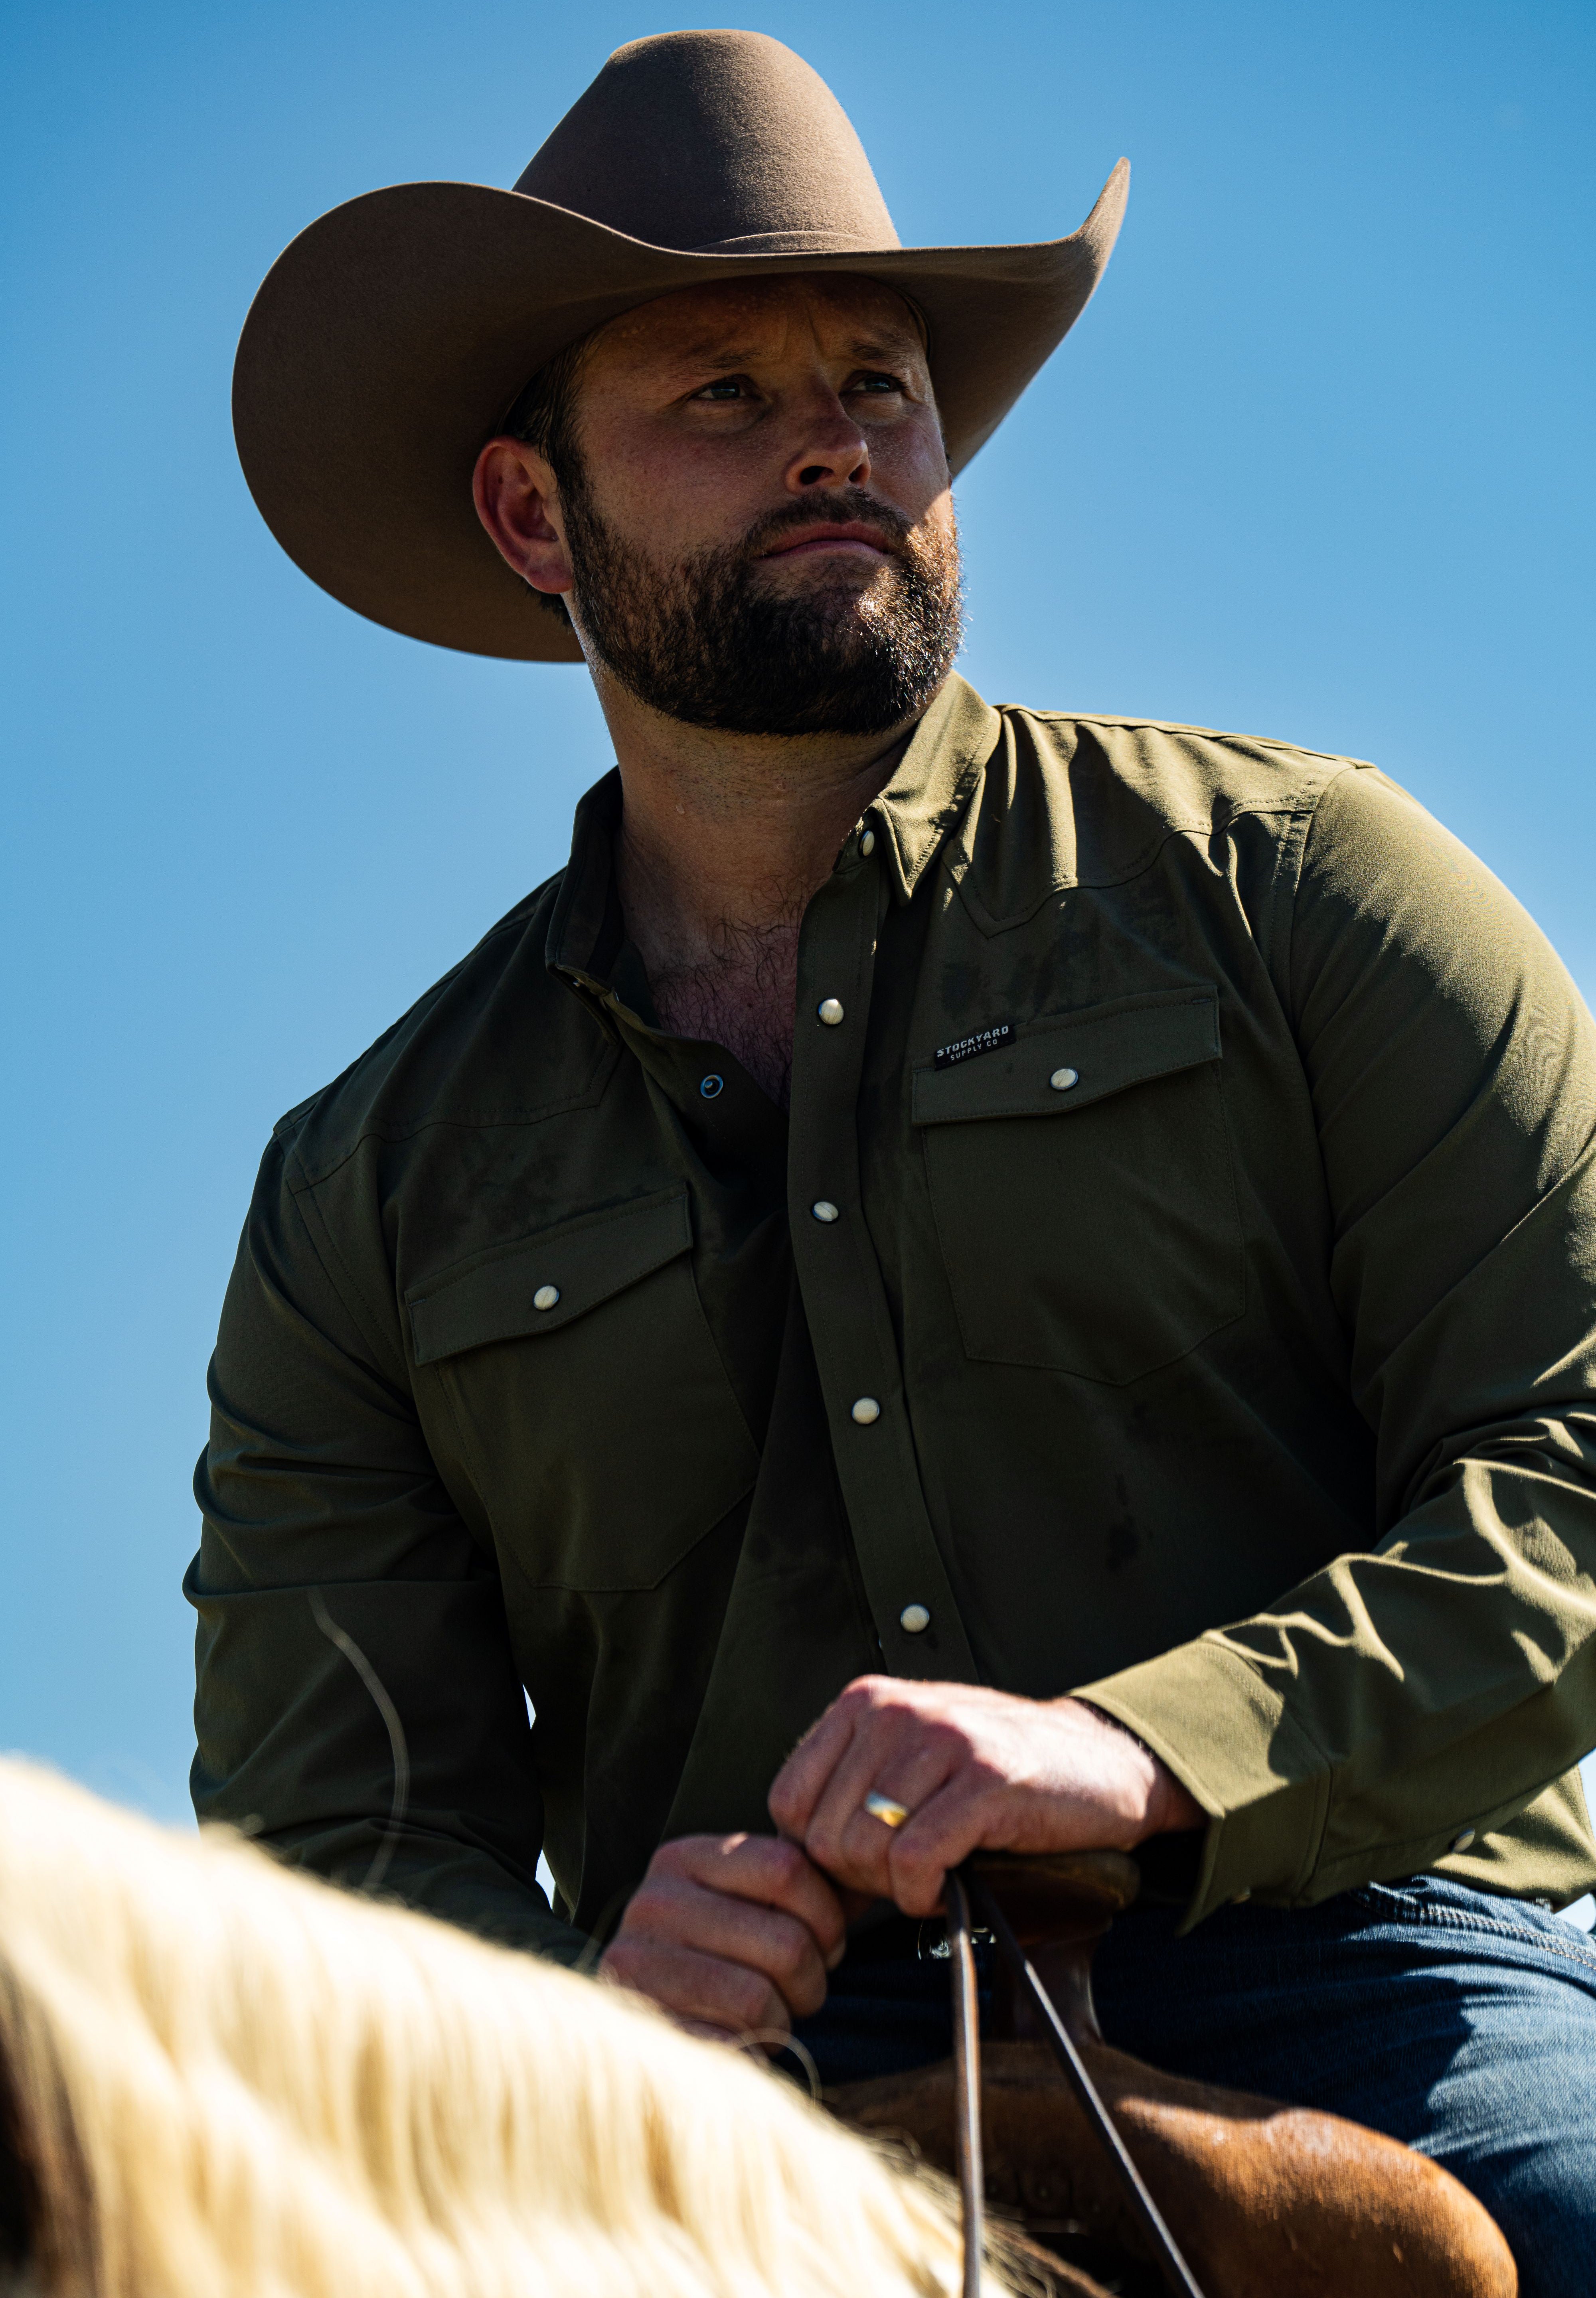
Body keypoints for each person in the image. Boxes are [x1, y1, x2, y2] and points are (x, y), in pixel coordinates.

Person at [194, 29, 1596, 2291]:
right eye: (722, 398)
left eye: (880, 380)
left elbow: (1577, 1470)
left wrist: (1142, 1758)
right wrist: (567, 2010)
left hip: (1367, 1972)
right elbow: (330, 1820)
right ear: (532, 513)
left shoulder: (1306, 888)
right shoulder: (363, 1194)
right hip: (706, 2083)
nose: (839, 436)